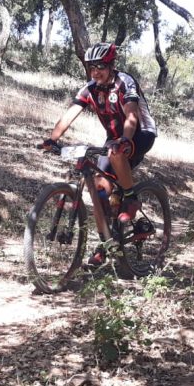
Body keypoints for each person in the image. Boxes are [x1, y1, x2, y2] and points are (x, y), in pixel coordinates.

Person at [42, 42, 158, 267]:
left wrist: (125, 140)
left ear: (112, 65)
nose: (95, 72)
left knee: (116, 154)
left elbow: (132, 117)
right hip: (114, 138)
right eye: (91, 67)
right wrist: (52, 139)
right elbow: (69, 115)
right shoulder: (90, 89)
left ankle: (131, 199)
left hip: (140, 133)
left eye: (101, 67)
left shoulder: (125, 82)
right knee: (99, 188)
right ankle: (105, 245)